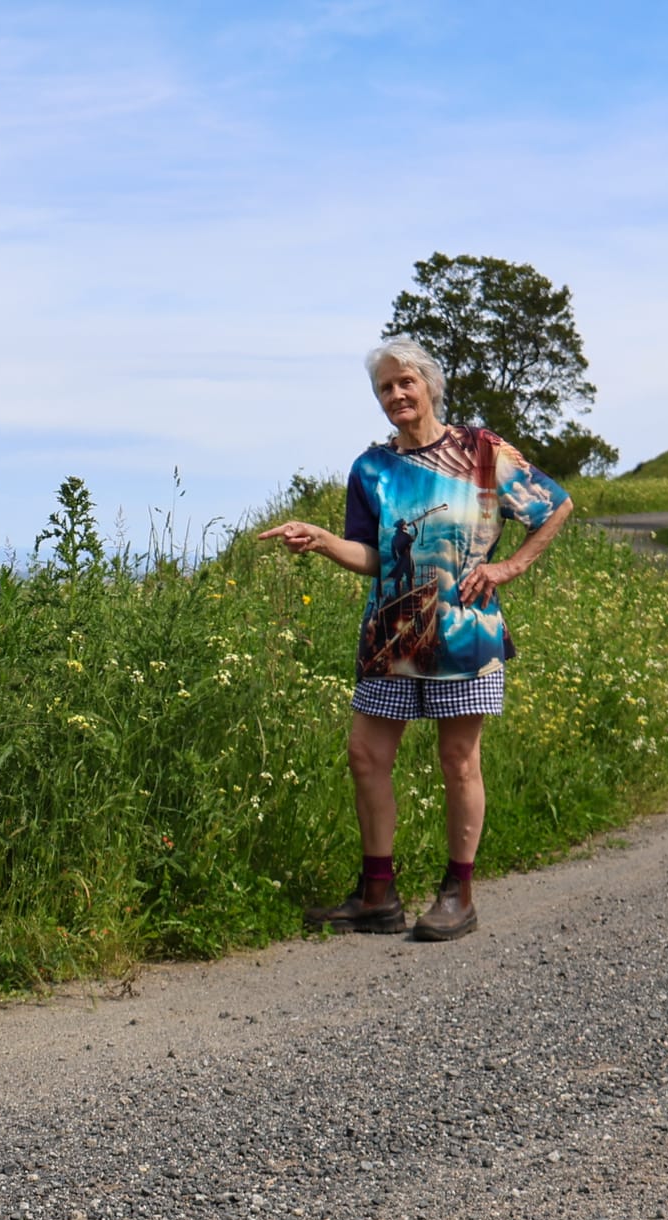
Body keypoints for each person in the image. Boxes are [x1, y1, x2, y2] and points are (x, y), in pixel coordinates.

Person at [258, 335, 572, 942]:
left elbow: (555, 506)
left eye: (407, 382)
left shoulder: (481, 451)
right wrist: (322, 540)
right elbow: (373, 555)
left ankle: (458, 893)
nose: (397, 394)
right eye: (385, 387)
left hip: (463, 632)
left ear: (429, 384)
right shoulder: (371, 468)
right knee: (366, 756)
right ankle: (377, 894)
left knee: (458, 761)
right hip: (391, 635)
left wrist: (509, 567)